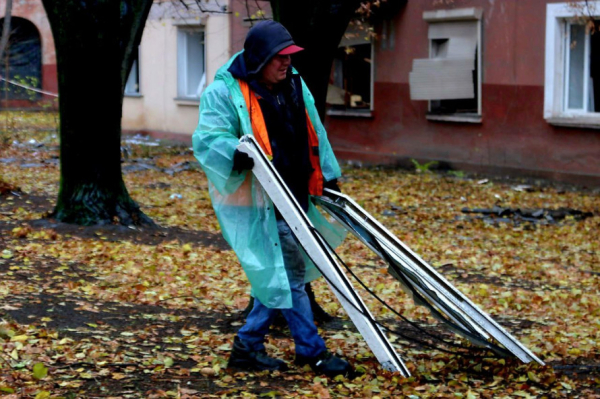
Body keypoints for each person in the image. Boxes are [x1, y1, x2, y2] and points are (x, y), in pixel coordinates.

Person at [192, 20, 352, 378]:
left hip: (296, 193)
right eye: (279, 58)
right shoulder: (226, 92)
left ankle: (247, 348)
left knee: (279, 276)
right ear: (260, 58)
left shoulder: (294, 83)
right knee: (289, 275)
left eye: (289, 57)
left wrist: (329, 175)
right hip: (258, 201)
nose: (286, 63)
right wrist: (234, 152)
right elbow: (207, 138)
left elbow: (315, 131)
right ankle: (312, 353)